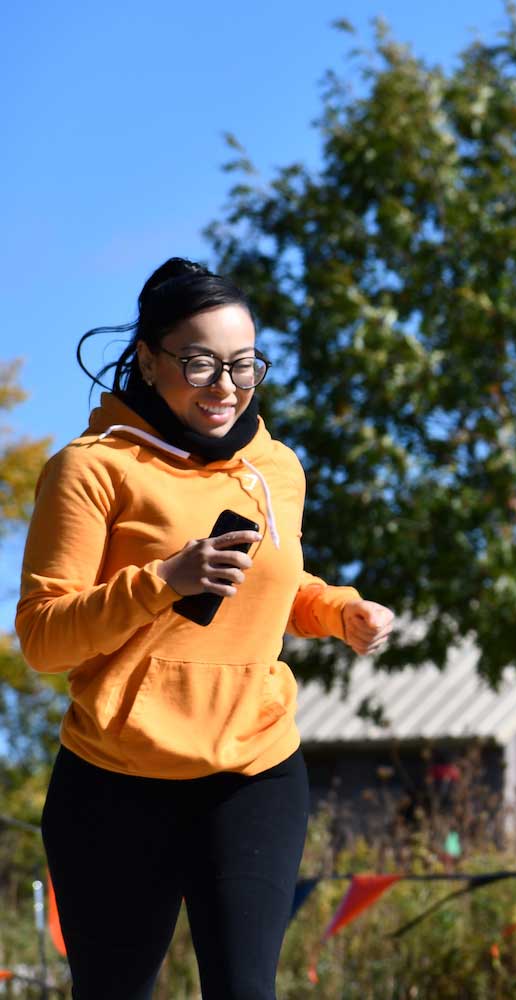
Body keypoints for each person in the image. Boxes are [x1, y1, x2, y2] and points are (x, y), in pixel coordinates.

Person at [15, 258, 395, 999]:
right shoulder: (92, 470)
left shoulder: (276, 468)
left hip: (253, 771)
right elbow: (43, 636)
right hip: (115, 783)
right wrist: (162, 582)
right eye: (199, 363)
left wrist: (338, 610)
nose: (225, 385)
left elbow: (277, 582)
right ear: (151, 361)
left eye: (243, 363)